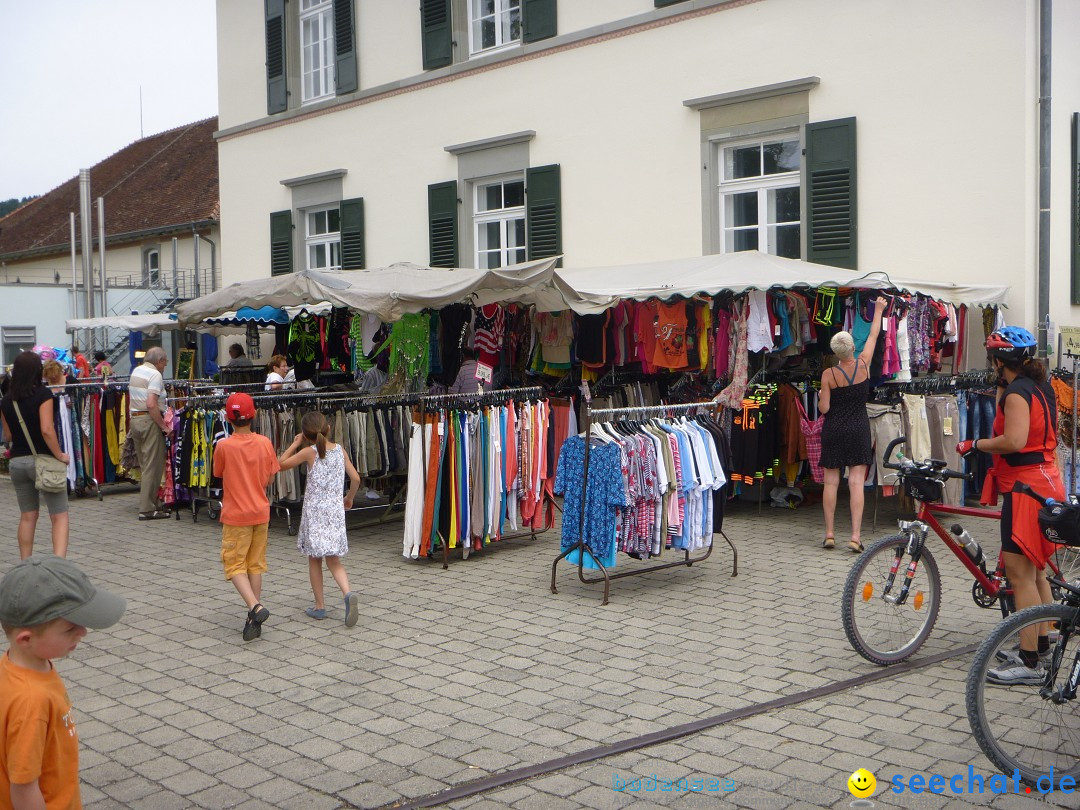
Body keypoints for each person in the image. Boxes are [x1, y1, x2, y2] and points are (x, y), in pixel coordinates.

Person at [957, 326, 1065, 685]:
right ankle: (1042, 645)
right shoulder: (1038, 386)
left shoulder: (1017, 394)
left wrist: (976, 443)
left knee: (1020, 575)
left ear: (999, 361)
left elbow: (1014, 440)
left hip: (1024, 489)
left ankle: (1031, 663)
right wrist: (1002, 382)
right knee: (1035, 572)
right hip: (1044, 481)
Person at [0, 556, 126, 810]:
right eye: (70, 629)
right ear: (25, 639)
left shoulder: (21, 666)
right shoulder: (30, 702)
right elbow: (24, 788)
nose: (83, 632)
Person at [817, 295, 888, 553]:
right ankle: (856, 536)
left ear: (835, 352)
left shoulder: (828, 375)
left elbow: (824, 408)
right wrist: (878, 309)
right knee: (857, 482)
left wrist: (824, 400)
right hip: (859, 426)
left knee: (831, 483)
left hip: (834, 429)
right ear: (851, 349)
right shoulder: (864, 364)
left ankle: (829, 533)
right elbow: (873, 336)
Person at [278, 411, 362, 626]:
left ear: (306, 435)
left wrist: (295, 444)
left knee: (315, 559)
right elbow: (356, 478)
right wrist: (349, 498)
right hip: (334, 512)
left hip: (314, 514)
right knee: (334, 560)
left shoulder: (308, 453)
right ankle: (347, 593)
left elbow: (280, 464)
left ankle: (320, 606)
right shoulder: (340, 451)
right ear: (329, 428)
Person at [213, 392, 281, 641]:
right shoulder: (264, 442)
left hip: (235, 514)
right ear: (253, 415)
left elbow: (219, 474)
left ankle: (255, 606)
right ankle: (253, 618)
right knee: (255, 564)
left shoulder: (223, 446)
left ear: (228, 418)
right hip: (260, 512)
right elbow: (271, 477)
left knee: (234, 564)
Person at [0, 351, 70, 558]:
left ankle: (25, 564)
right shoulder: (43, 395)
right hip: (44, 462)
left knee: (28, 516)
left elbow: (9, 434)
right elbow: (47, 429)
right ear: (37, 371)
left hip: (18, 463)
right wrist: (59, 455)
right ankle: (59, 564)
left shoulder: (6, 400)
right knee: (59, 516)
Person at [129, 347, 171, 520]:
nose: (165, 365)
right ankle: (146, 508)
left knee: (146, 464)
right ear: (159, 361)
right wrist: (164, 426)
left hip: (135, 420)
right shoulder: (155, 375)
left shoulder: (137, 370)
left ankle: (154, 503)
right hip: (149, 421)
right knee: (153, 466)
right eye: (165, 361)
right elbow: (152, 404)